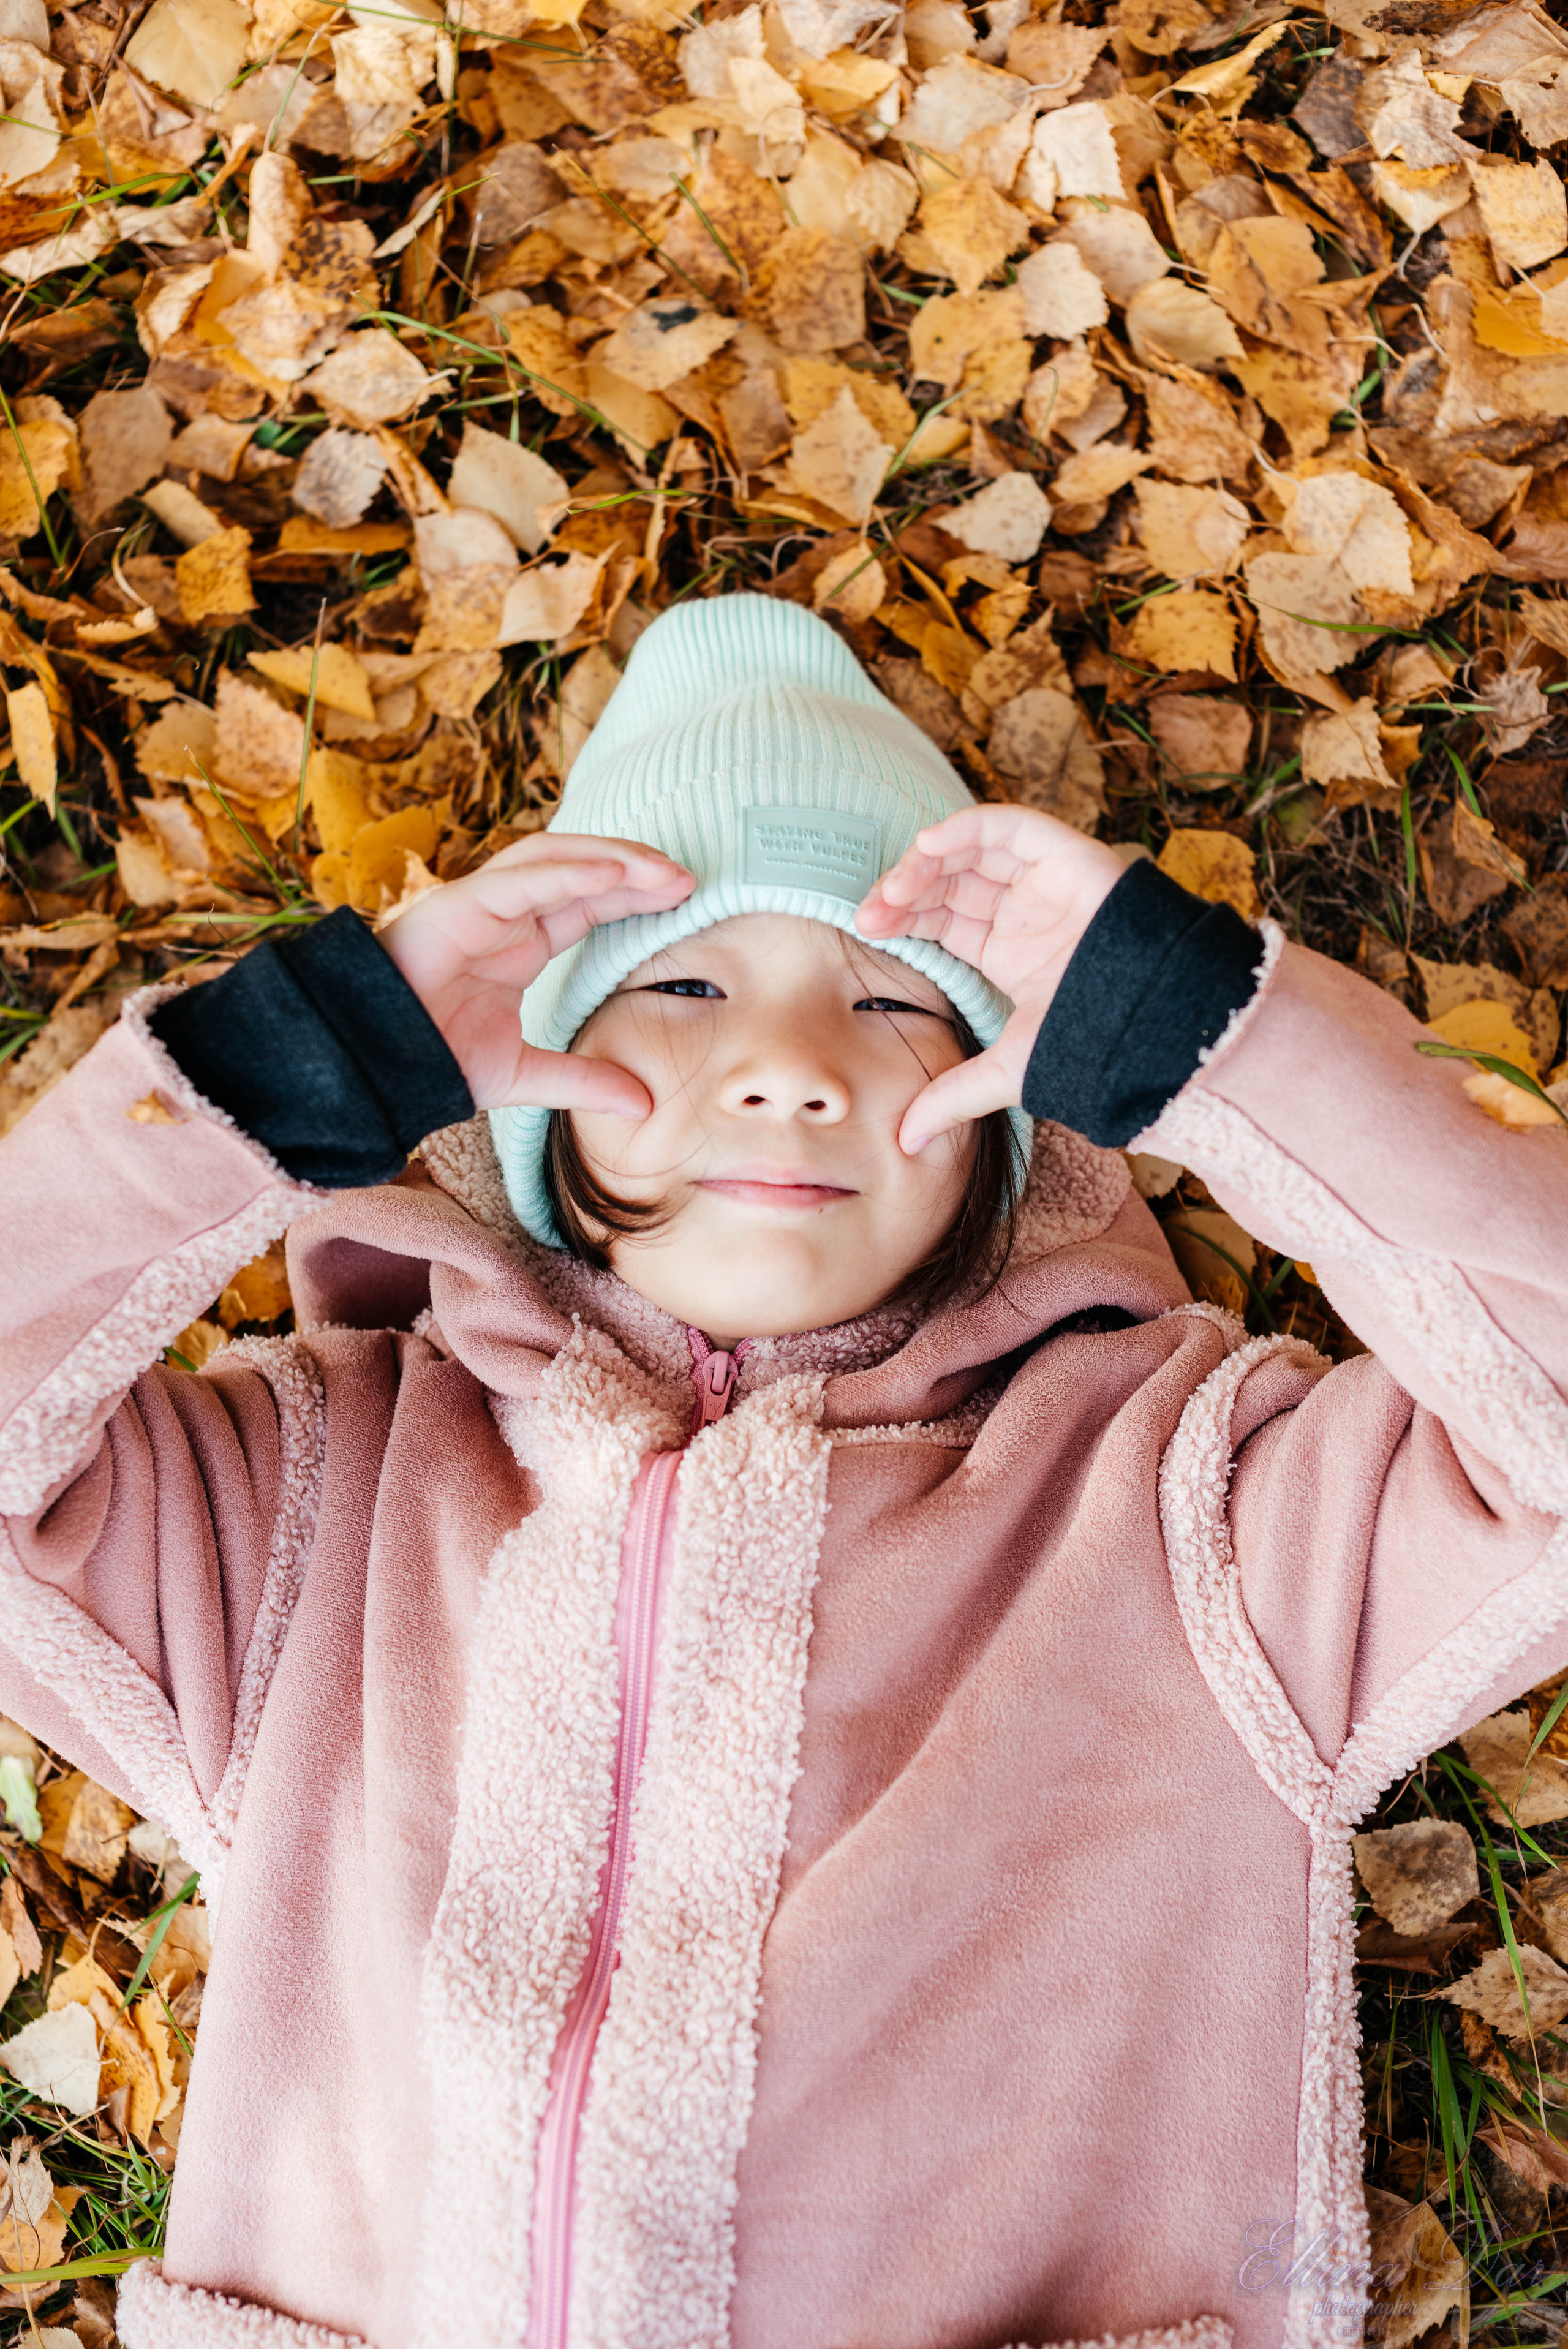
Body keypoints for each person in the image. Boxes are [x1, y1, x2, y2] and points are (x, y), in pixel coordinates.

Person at [2, 594, 1565, 2349]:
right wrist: (267, 1076)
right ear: (529, 1089)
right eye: (678, 983)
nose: (792, 1066)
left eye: (897, 1000)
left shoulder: (1188, 1510)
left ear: (1014, 1116)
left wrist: (1221, 1046)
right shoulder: (315, 1500)